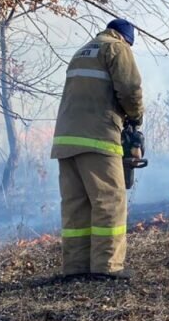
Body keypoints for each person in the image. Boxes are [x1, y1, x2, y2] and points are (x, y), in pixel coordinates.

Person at [50, 18, 144, 280]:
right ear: (126, 38)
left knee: (76, 205)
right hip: (98, 138)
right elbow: (130, 88)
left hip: (66, 141)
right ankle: (108, 267)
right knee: (109, 202)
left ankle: (76, 268)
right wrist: (135, 118)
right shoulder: (116, 48)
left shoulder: (83, 51)